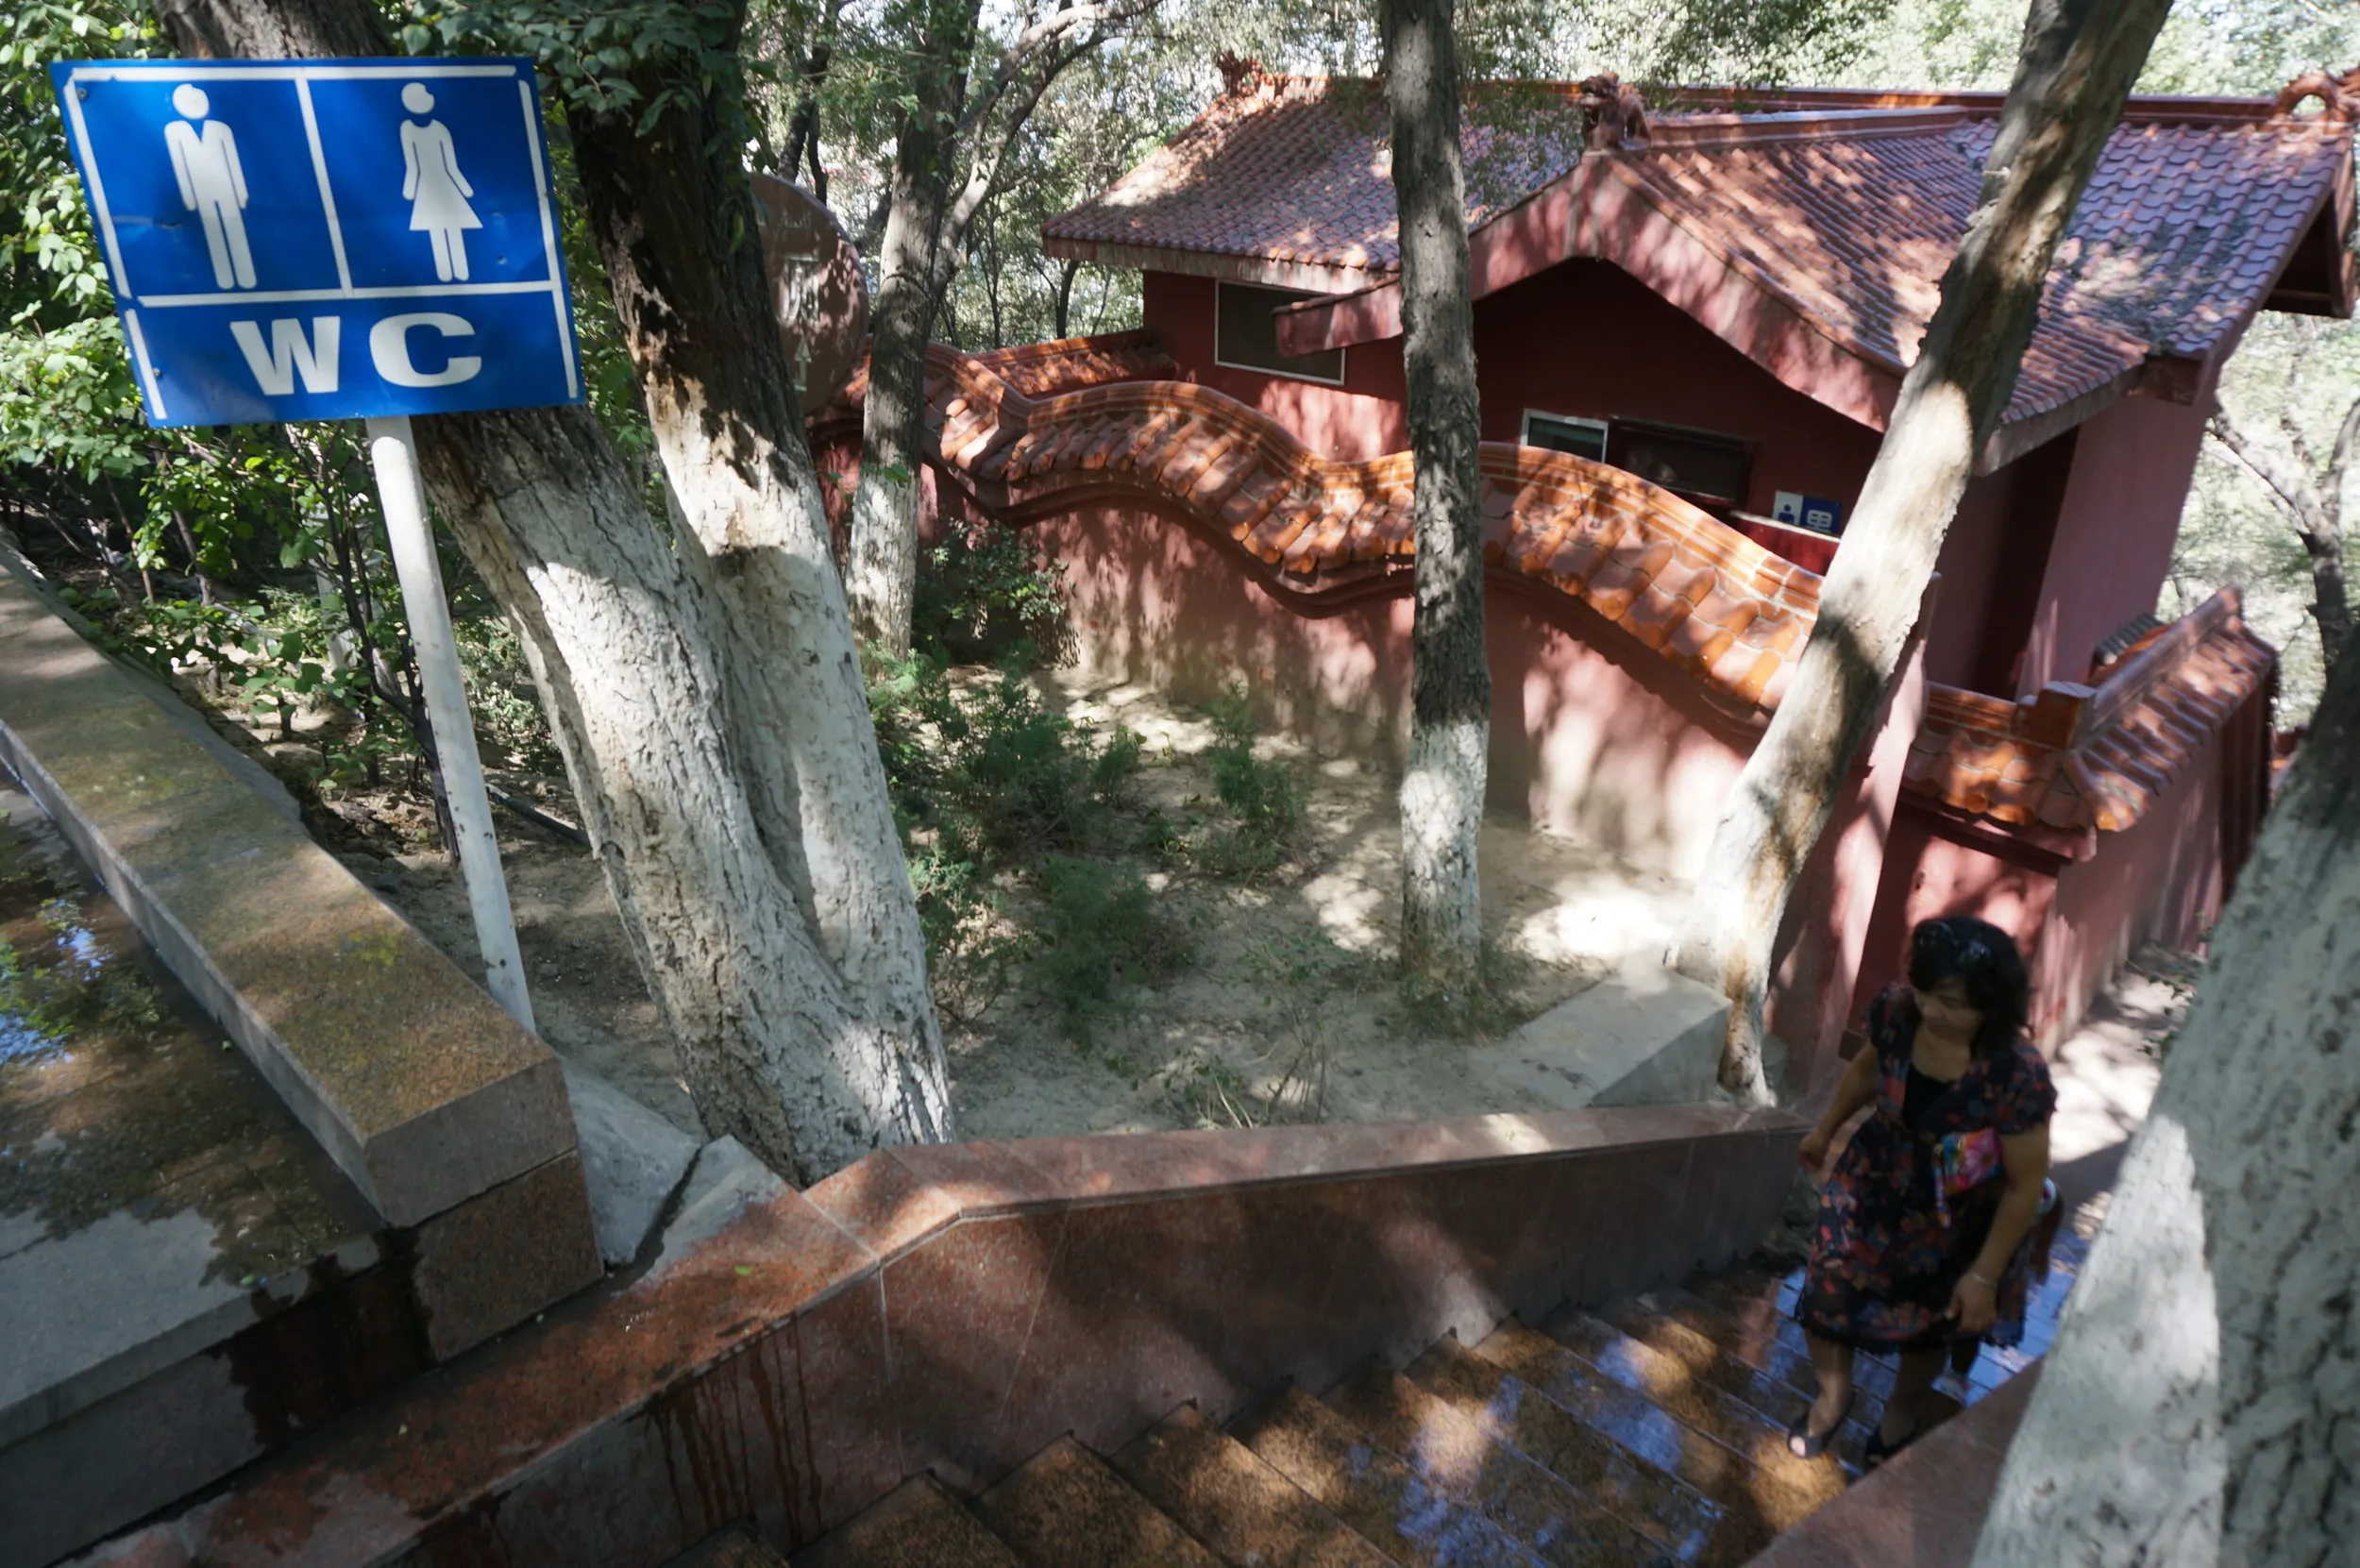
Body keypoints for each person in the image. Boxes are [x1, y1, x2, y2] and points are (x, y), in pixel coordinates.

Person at [1785, 915, 2055, 1464]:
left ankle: (1901, 1412)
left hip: (1955, 1215)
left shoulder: (2017, 1074)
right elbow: (1866, 1072)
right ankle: (1833, 1397)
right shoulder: (1896, 1012)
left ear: (1991, 1005)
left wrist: (1983, 1277)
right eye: (1926, 992)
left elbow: (2025, 1184)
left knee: (1929, 1325)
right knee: (1827, 1294)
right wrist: (1825, 1129)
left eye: (1952, 1003)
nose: (1932, 1009)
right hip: (1871, 1182)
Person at [398, 82, 480, 283]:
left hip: (445, 186)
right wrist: (409, 190)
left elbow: (451, 165)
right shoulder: (407, 129)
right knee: (435, 227)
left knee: (453, 225)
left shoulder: (440, 129)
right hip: (426, 188)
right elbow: (412, 165)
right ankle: (444, 274)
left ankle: (461, 271)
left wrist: (465, 189)